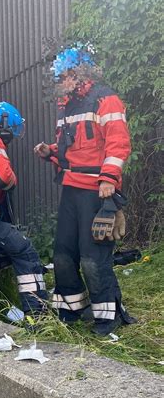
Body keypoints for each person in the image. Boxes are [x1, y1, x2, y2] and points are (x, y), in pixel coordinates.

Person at [34, 43, 136, 335]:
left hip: (96, 190)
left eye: (63, 76)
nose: (59, 83)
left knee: (93, 256)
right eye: (58, 77)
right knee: (63, 254)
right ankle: (70, 308)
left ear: (78, 73)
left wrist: (108, 179)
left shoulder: (106, 99)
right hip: (71, 189)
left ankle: (108, 315)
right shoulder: (67, 106)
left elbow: (118, 143)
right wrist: (50, 151)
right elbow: (73, 148)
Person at [0, 102, 48, 316]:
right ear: (2, 124)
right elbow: (2, 177)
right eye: (12, 127)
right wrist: (13, 181)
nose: (12, 133)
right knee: (24, 250)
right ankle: (37, 314)